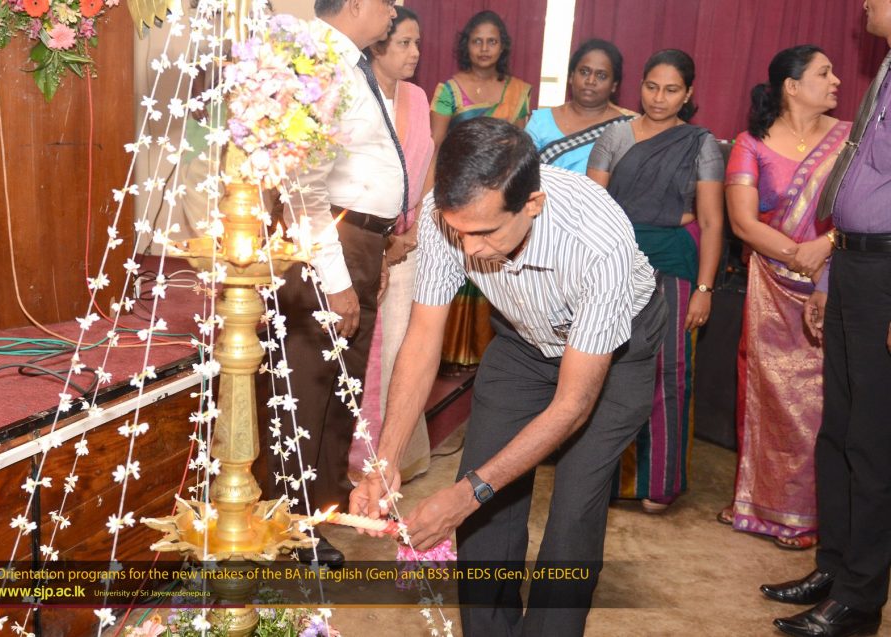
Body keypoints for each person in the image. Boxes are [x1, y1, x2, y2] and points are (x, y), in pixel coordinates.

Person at [350, 117, 666, 637]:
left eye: (485, 233)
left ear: (532, 204)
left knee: (573, 510)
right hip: (522, 343)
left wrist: (464, 496)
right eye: (460, 232)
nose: (470, 249)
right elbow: (423, 338)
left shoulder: (597, 238)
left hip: (615, 355)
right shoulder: (444, 217)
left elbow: (573, 405)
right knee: (482, 500)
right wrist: (385, 463)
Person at [256, 0, 399, 569]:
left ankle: (317, 513)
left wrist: (376, 247)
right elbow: (303, 188)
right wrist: (337, 281)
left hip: (358, 241)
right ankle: (286, 525)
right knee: (306, 390)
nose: (394, 10)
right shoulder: (321, 63)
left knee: (339, 389)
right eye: (387, 1)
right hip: (326, 247)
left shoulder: (349, 61)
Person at [763, 1, 891, 635]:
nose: (865, 2)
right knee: (837, 431)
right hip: (855, 267)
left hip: (887, 275)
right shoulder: (887, 67)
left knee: (872, 441)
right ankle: (835, 569)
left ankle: (861, 598)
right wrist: (829, 277)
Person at [721, 45, 848, 551]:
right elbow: (741, 222)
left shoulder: (850, 138)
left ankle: (814, 514)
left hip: (836, 283)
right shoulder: (751, 143)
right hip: (771, 287)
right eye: (825, 73)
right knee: (767, 397)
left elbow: (866, 207)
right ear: (792, 86)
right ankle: (758, 505)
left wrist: (826, 247)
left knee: (823, 403)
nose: (837, 81)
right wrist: (800, 254)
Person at [587, 48, 724, 514]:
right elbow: (594, 210)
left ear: (687, 94)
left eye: (671, 90)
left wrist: (704, 289)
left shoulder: (701, 144)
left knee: (670, 371)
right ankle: (603, 479)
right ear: (639, 85)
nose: (659, 98)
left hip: (673, 263)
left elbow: (712, 221)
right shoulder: (615, 135)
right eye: (651, 86)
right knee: (606, 366)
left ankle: (658, 482)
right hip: (617, 262)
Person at [351, 6, 434, 484]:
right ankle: (355, 459)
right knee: (364, 350)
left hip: (409, 240)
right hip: (361, 239)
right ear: (377, 46)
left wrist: (411, 233)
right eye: (404, 43)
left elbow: (426, 166)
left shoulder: (418, 97)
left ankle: (393, 456)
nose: (415, 52)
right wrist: (381, 242)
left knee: (401, 347)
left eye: (417, 43)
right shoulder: (355, 92)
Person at [430, 10, 532, 374]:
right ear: (466, 46)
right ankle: (447, 352)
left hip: (499, 196)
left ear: (503, 47)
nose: (484, 48)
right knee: (455, 265)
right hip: (457, 191)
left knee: (493, 265)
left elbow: (520, 149)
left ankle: (490, 353)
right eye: (477, 41)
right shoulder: (448, 90)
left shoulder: (519, 91)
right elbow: (436, 146)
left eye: (492, 41)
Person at [525, 38, 635, 173]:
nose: (590, 81)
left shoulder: (626, 128)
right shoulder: (541, 121)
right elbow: (521, 172)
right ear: (571, 77)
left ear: (614, 85)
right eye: (584, 72)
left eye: (601, 76)